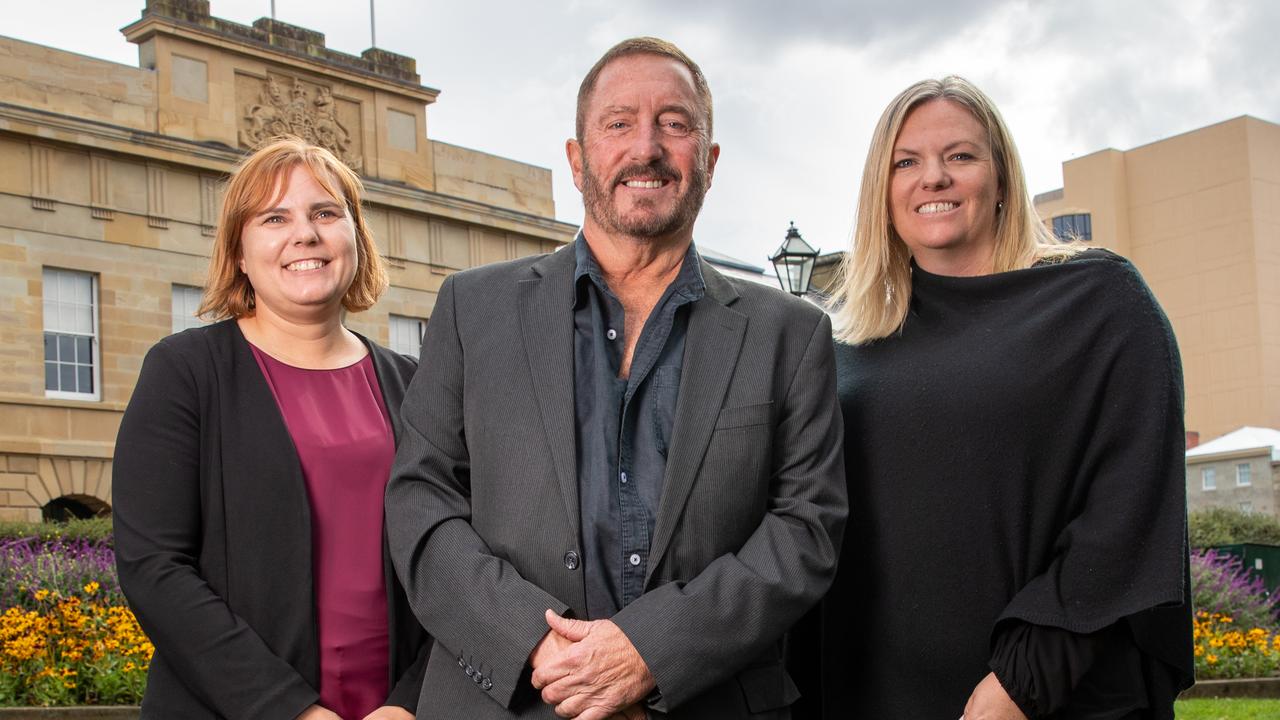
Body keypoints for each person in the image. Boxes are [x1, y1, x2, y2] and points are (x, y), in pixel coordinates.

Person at [385, 37, 846, 720]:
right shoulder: (472, 309)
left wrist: (650, 652)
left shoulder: (791, 333)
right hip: (507, 700)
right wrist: (539, 649)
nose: (646, 148)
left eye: (675, 123)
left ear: (710, 162)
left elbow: (806, 529)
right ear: (577, 160)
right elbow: (420, 502)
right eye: (619, 123)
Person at [816, 76, 1194, 718]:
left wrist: (1022, 682)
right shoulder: (846, 342)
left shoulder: (1098, 301)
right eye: (906, 162)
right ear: (881, 192)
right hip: (870, 692)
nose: (932, 178)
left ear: (1001, 179)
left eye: (960, 156)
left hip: (1037, 698)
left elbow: (1128, 510)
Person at [114, 137, 430, 720]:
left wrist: (410, 703)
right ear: (238, 251)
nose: (304, 234)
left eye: (326, 213)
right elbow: (153, 566)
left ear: (355, 237)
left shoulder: (413, 385)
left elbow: (452, 556)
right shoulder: (185, 371)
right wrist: (292, 712)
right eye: (274, 218)